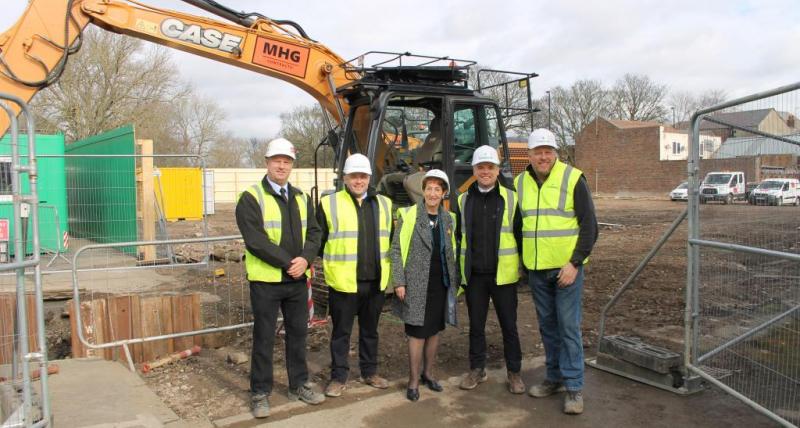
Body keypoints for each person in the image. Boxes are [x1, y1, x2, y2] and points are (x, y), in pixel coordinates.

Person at [235, 137, 325, 419]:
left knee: (298, 335)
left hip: (297, 282)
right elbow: (256, 240)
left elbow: (315, 233)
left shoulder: (301, 197)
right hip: (267, 282)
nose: (281, 165)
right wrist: (290, 262)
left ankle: (298, 384)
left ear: (291, 165)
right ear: (267, 163)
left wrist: (306, 259)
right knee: (263, 338)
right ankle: (260, 392)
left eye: (286, 161)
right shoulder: (251, 197)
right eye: (277, 160)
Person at [515, 129, 598, 415]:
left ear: (556, 153)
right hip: (537, 270)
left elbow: (590, 227)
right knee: (548, 327)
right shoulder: (520, 183)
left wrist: (575, 263)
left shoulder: (573, 178)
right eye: (538, 151)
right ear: (529, 155)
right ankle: (555, 377)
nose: (543, 156)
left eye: (548, 151)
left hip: (566, 270)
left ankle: (574, 387)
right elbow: (518, 225)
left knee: (568, 327)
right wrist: (523, 263)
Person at [317, 153, 393, 397]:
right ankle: (339, 377)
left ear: (369, 177)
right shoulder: (329, 203)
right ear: (345, 178)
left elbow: (388, 239)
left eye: (363, 176)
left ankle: (369, 372)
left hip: (375, 282)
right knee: (341, 333)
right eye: (354, 176)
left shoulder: (385, 204)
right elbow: (319, 241)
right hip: (343, 282)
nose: (358, 180)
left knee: (370, 331)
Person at [455, 145, 524, 394]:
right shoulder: (463, 200)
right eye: (481, 167)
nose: (485, 172)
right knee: (476, 325)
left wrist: (523, 269)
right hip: (474, 277)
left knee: (509, 326)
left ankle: (514, 373)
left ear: (497, 170)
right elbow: (458, 237)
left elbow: (520, 235)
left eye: (490, 167)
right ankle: (477, 369)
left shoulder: (511, 198)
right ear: (474, 170)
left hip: (503, 276)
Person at [390, 169, 459, 402]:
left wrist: (455, 283)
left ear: (443, 193)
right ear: (423, 191)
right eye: (429, 188)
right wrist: (399, 281)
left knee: (435, 331)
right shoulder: (409, 215)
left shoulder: (448, 219)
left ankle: (429, 373)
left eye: (437, 189)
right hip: (416, 284)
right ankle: (413, 380)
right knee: (417, 333)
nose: (432, 193)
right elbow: (397, 249)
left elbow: (452, 252)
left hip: (440, 284)